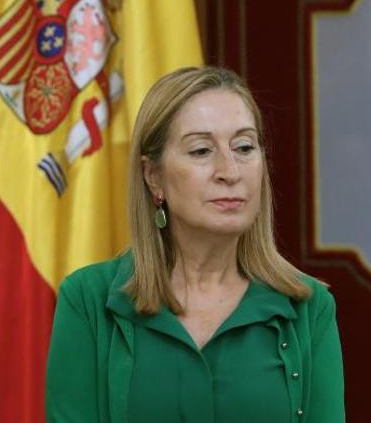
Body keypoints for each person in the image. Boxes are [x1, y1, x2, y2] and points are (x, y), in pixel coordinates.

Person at [45, 66, 344, 422]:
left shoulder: (309, 309)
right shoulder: (88, 299)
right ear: (153, 177)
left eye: (244, 147)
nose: (229, 171)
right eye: (202, 151)